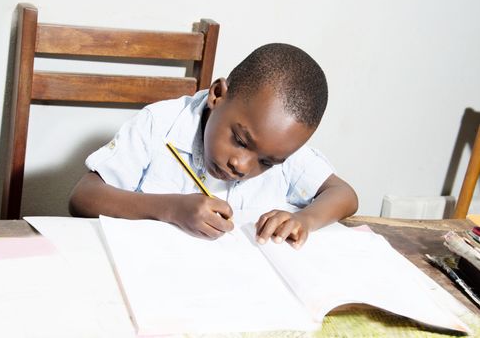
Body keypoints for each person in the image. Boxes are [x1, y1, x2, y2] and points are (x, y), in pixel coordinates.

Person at [69, 43, 358, 249]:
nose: (242, 166)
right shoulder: (159, 124)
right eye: (240, 141)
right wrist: (171, 208)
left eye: (267, 163)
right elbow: (83, 197)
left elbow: (344, 195)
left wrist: (304, 220)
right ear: (217, 95)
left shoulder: (278, 149)